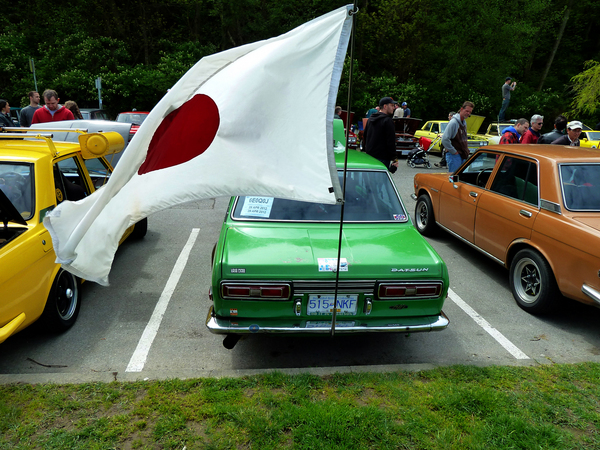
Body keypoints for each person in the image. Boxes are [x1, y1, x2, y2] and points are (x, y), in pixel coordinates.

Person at [363, 97, 399, 173]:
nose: (394, 108)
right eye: (392, 105)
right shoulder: (388, 121)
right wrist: (394, 158)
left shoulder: (370, 119)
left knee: (370, 181)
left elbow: (365, 136)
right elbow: (390, 141)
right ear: (385, 106)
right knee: (380, 183)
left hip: (370, 156)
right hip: (383, 158)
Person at [442, 101, 473, 173]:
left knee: (462, 179)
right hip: (454, 156)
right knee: (454, 179)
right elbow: (444, 139)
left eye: (470, 112)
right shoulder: (453, 123)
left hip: (462, 155)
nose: (468, 113)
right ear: (461, 109)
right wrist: (454, 152)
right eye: (467, 111)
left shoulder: (464, 123)